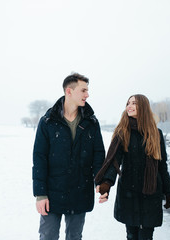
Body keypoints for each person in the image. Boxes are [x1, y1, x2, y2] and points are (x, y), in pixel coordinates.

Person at [32, 72, 105, 240]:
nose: (87, 95)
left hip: (80, 192)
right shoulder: (48, 121)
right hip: (51, 193)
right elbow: (39, 159)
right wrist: (40, 194)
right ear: (69, 91)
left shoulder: (91, 122)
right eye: (83, 90)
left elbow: (98, 155)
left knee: (74, 237)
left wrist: (100, 181)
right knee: (48, 236)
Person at [94, 94, 170, 240]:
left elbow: (162, 165)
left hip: (151, 192)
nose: (129, 106)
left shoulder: (156, 134)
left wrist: (168, 191)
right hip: (129, 192)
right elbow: (114, 161)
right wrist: (106, 183)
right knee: (132, 236)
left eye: (134, 103)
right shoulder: (123, 132)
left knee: (146, 236)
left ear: (142, 107)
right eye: (128, 103)